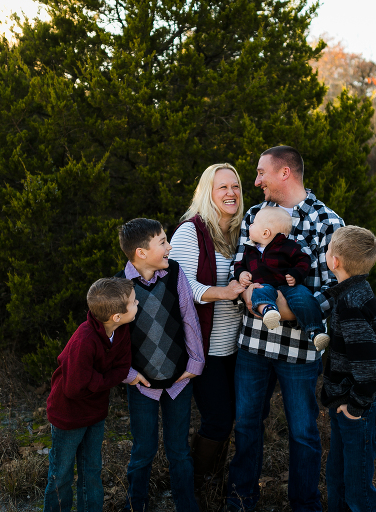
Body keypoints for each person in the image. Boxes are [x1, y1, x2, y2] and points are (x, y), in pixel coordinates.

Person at [226, 146, 344, 512]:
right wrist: (247, 294)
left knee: (304, 433)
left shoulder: (327, 222)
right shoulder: (253, 215)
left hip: (299, 351)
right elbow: (239, 266)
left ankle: (305, 504)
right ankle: (241, 500)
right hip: (253, 345)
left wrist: (288, 311)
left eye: (262, 173)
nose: (256, 181)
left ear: (285, 174)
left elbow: (333, 287)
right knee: (246, 425)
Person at [117, 218, 205, 512]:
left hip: (179, 378)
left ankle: (186, 504)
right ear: (141, 252)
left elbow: (188, 315)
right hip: (141, 383)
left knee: (179, 450)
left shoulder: (175, 273)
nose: (169, 247)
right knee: (143, 449)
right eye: (163, 242)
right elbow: (114, 338)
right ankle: (136, 503)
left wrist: (196, 361)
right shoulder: (120, 286)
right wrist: (128, 374)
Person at [169, 163, 246, 486]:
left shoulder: (243, 231)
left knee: (236, 419)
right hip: (204, 346)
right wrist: (224, 292)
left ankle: (215, 481)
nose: (231, 193)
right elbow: (181, 288)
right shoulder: (191, 231)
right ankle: (196, 485)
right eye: (222, 188)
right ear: (208, 194)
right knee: (218, 419)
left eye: (236, 187)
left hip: (238, 346)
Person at [44, 277, 137, 512]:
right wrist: (104, 380)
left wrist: (97, 379)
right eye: (135, 302)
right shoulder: (84, 340)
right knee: (62, 473)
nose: (138, 305)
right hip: (68, 416)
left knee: (92, 470)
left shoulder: (122, 330)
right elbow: (74, 387)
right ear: (116, 316)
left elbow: (123, 367)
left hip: (95, 414)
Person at [320, 225, 376, 512]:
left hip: (361, 406)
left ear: (334, 261)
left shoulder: (350, 303)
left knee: (358, 489)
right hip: (348, 401)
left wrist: (355, 406)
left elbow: (368, 366)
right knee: (337, 477)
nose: (326, 254)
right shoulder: (354, 290)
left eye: (328, 249)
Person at [234, 205, 330, 350]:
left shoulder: (288, 247)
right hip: (264, 285)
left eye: (253, 224)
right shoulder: (250, 249)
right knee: (258, 291)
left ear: (266, 232)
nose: (250, 225)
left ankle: (316, 332)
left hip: (289, 286)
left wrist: (296, 274)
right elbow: (239, 265)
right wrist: (241, 273)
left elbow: (303, 261)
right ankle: (269, 310)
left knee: (305, 296)